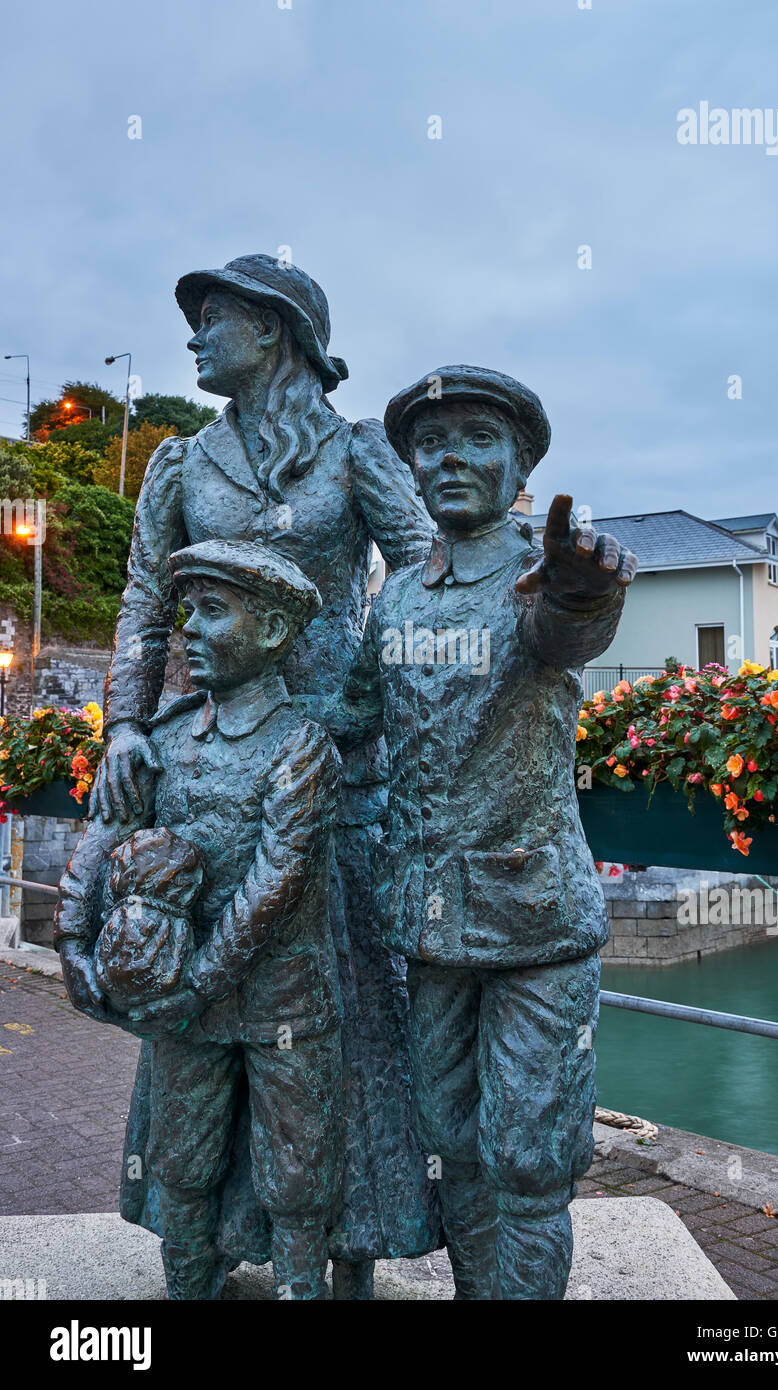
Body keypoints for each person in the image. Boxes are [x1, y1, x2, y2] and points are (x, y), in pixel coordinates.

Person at [89, 255, 440, 1296]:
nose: (195, 337)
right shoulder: (177, 462)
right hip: (200, 768)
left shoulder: (355, 452)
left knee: (346, 1011)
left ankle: (347, 1249)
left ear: (277, 332)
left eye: (216, 319)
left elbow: (420, 576)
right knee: (201, 1004)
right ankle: (197, 1237)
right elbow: (146, 599)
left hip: (338, 766)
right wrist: (122, 727)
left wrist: (365, 700)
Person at [320, 365, 637, 1299]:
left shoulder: (540, 577)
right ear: (411, 467)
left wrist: (584, 594)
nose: (449, 455)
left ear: (520, 464)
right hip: (427, 927)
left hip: (535, 920)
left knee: (529, 1161)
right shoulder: (399, 601)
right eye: (429, 441)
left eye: (477, 437)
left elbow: (565, 629)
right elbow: (351, 718)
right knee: (454, 1144)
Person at [56, 540, 344, 1299]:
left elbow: (276, 882)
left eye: (213, 612)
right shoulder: (165, 739)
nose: (187, 630)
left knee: (298, 1174)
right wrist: (72, 941)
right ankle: (187, 1287)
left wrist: (197, 984)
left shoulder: (302, 745)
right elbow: (103, 837)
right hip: (185, 1006)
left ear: (277, 631)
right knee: (182, 1162)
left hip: (283, 999)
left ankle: (300, 1291)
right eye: (186, 610)